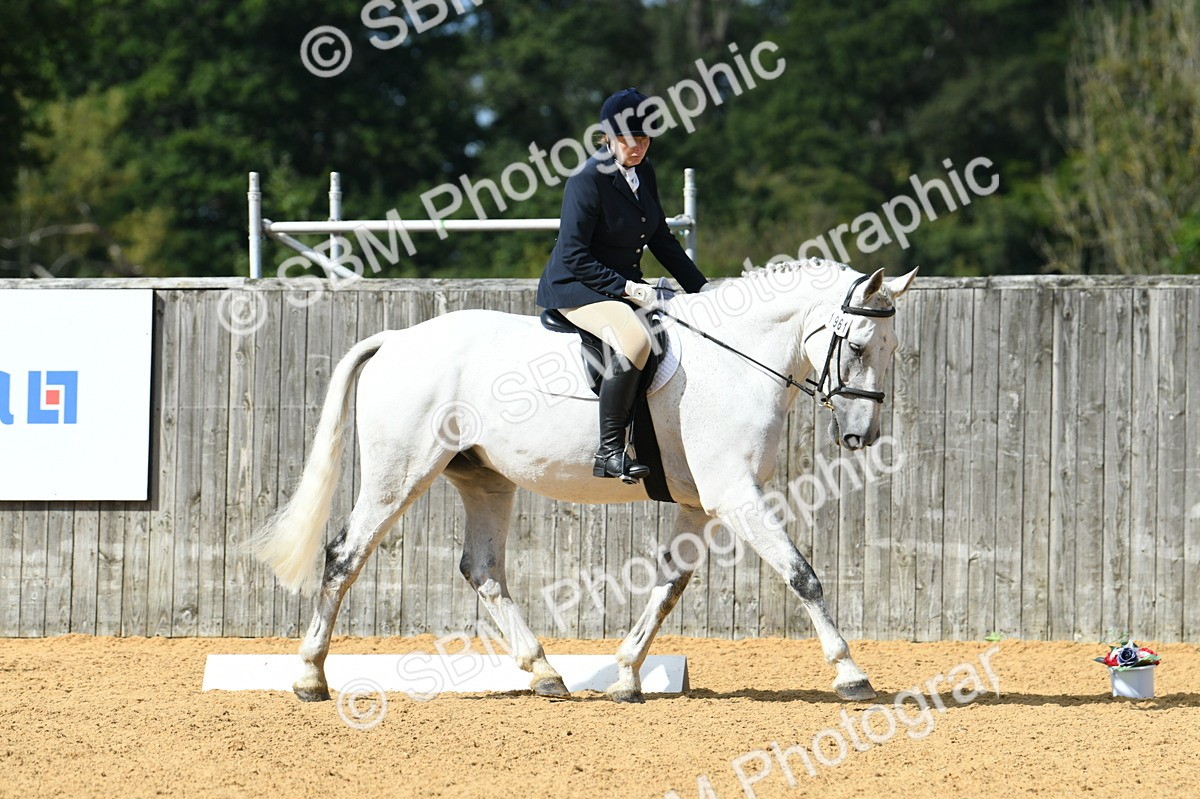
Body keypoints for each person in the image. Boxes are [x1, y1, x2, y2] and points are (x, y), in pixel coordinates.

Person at [536, 87, 709, 483]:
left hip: (618, 284)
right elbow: (574, 257)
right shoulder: (586, 181)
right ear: (609, 137)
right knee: (635, 340)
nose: (639, 148)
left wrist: (702, 291)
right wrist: (626, 288)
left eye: (645, 140)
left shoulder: (643, 173)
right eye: (630, 140)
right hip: (577, 286)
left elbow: (662, 238)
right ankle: (610, 451)